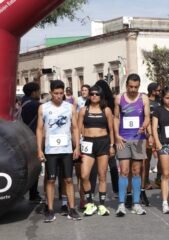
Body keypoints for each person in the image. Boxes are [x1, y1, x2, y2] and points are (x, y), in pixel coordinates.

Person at [36, 80, 81, 222]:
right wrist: (39, 149)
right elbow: (39, 129)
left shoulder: (70, 107)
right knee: (50, 180)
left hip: (66, 149)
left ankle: (72, 209)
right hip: (50, 150)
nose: (59, 96)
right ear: (50, 93)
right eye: (56, 93)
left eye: (61, 93)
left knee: (68, 179)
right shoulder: (43, 108)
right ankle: (50, 210)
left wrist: (77, 147)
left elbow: (75, 128)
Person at [114, 73, 150, 217]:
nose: (133, 89)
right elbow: (116, 117)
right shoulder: (119, 98)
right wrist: (116, 135)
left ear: (139, 86)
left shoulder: (144, 98)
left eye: (136, 87)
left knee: (136, 171)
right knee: (124, 171)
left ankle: (136, 203)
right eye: (130, 87)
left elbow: (147, 116)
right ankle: (121, 204)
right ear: (126, 85)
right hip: (123, 138)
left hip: (139, 139)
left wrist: (144, 126)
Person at [78, 85, 115, 216]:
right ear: (89, 96)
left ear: (101, 96)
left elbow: (111, 129)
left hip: (103, 143)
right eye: (92, 94)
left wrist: (111, 145)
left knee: (102, 176)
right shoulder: (83, 110)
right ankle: (90, 203)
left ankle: (102, 206)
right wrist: (77, 146)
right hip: (87, 143)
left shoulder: (107, 110)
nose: (94, 96)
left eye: (97, 94)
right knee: (84, 175)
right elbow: (78, 129)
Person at [22, 82, 42, 203]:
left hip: (23, 137)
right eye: (38, 91)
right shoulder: (35, 105)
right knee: (35, 168)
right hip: (33, 138)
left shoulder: (23, 101)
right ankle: (33, 194)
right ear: (34, 92)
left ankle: (29, 193)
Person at [145, 82, 161, 191]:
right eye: (157, 90)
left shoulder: (161, 101)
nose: (159, 92)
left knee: (162, 157)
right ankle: (145, 180)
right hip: (148, 134)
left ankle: (159, 179)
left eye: (160, 90)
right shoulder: (146, 101)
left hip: (160, 133)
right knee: (147, 158)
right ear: (151, 90)